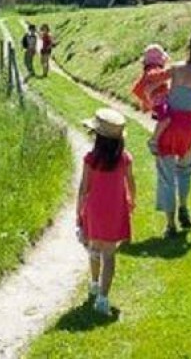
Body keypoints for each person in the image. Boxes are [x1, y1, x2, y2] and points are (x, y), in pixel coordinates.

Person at [155, 31, 191, 238]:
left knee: (166, 174)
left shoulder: (177, 69)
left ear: (188, 47)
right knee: (186, 169)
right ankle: (184, 207)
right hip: (190, 127)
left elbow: (153, 82)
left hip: (170, 123)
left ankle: (170, 224)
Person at [77, 108, 136, 315]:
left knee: (94, 248)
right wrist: (132, 201)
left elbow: (84, 188)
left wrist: (79, 214)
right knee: (109, 254)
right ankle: (103, 298)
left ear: (97, 138)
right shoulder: (124, 158)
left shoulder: (91, 159)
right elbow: (130, 181)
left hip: (94, 210)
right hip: (115, 209)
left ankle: (94, 283)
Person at [130, 44, 172, 154]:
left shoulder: (148, 70)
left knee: (165, 119)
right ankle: (154, 139)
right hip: (160, 101)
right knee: (166, 119)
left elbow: (138, 88)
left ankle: (159, 138)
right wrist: (169, 74)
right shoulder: (153, 70)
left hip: (158, 102)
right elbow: (157, 76)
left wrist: (146, 102)